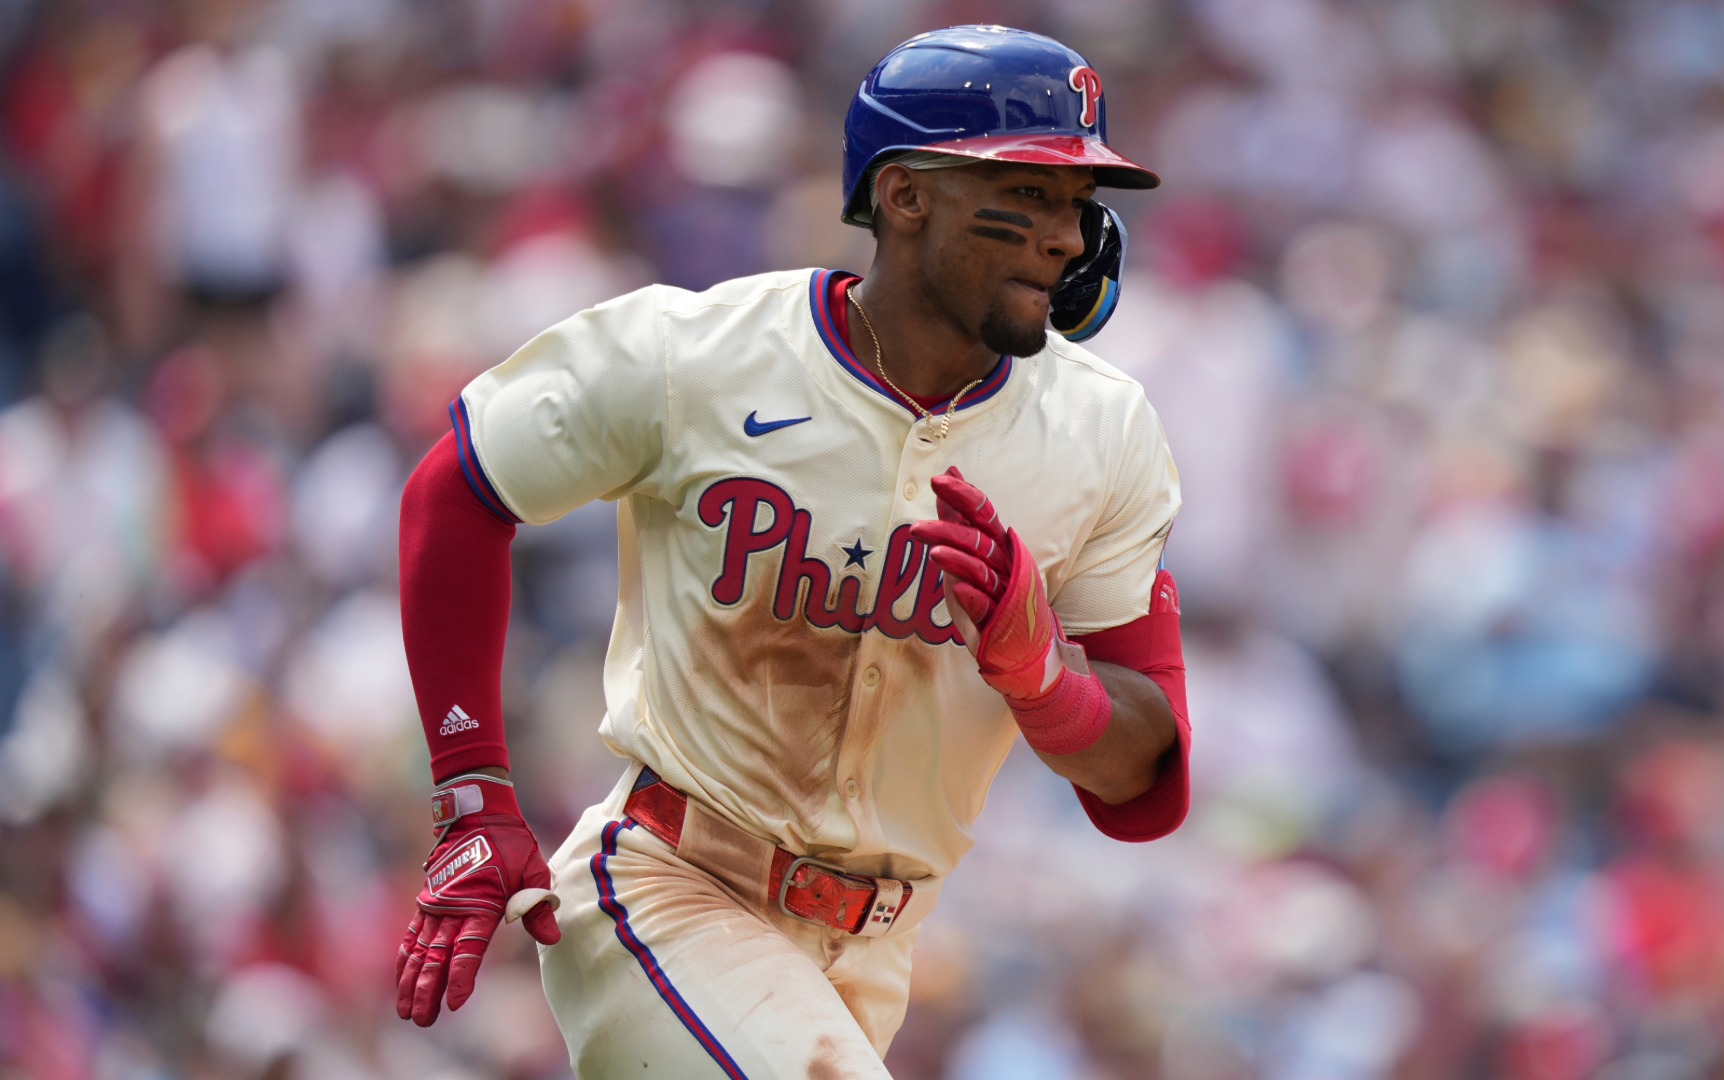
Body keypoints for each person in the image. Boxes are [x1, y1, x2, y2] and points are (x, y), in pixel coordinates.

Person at [391, 24, 1192, 1078]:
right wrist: (470, 790)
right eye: (1030, 194)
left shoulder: (1104, 429)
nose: (1066, 233)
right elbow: (456, 489)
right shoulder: (701, 357)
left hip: (875, 956)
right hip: (673, 889)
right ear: (904, 196)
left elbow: (1146, 779)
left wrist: (1040, 674)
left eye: (1079, 202)